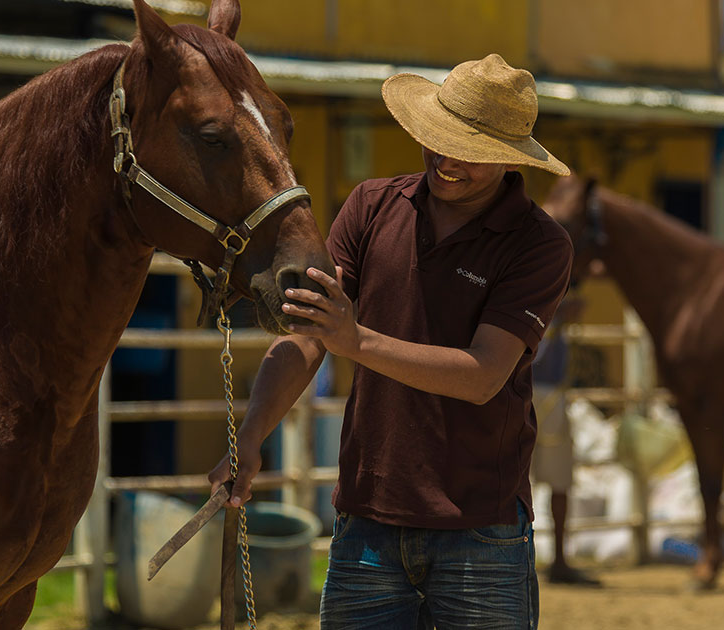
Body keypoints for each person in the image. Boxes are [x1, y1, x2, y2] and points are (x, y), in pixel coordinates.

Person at [208, 53, 573, 629]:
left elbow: (482, 376)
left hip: (481, 533)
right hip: (365, 525)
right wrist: (249, 437)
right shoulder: (370, 206)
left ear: (508, 159)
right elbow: (311, 337)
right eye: (438, 140)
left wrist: (354, 340)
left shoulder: (539, 245)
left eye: (469, 152)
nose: (446, 161)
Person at [529, 294, 601, 586]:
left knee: (557, 480)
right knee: (520, 479)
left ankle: (557, 559)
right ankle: (551, 560)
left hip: (543, 392)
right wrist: (558, 311)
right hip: (529, 387)